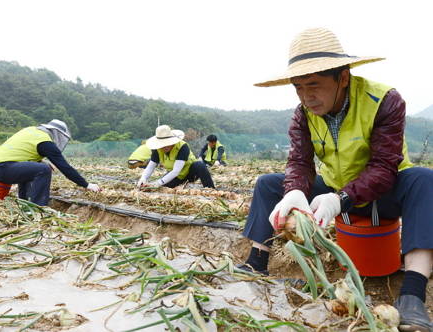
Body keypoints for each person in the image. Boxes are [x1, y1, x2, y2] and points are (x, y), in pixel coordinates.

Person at [239, 28, 433, 332]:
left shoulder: (383, 100)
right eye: (298, 87)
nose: (306, 96)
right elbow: (300, 163)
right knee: (267, 183)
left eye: (314, 85)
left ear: (343, 77)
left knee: (424, 179)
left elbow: (384, 167)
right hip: (331, 191)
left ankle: (412, 294)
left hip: (384, 193)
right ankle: (255, 264)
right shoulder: (303, 114)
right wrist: (294, 192)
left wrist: (340, 199)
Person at [0, 119, 100, 206]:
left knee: (36, 168)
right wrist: (87, 185)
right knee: (43, 169)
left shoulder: (31, 130)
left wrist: (41, 161)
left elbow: (23, 153)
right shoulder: (45, 141)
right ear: (56, 133)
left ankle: (24, 203)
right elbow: (65, 168)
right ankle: (39, 207)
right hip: (2, 168)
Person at [137, 125, 215, 189]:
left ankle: (211, 189)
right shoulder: (157, 149)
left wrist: (158, 183)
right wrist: (143, 178)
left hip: (190, 173)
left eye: (167, 143)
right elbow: (151, 166)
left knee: (200, 165)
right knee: (163, 187)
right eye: (162, 144)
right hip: (176, 176)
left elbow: (176, 171)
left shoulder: (182, 147)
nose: (165, 147)